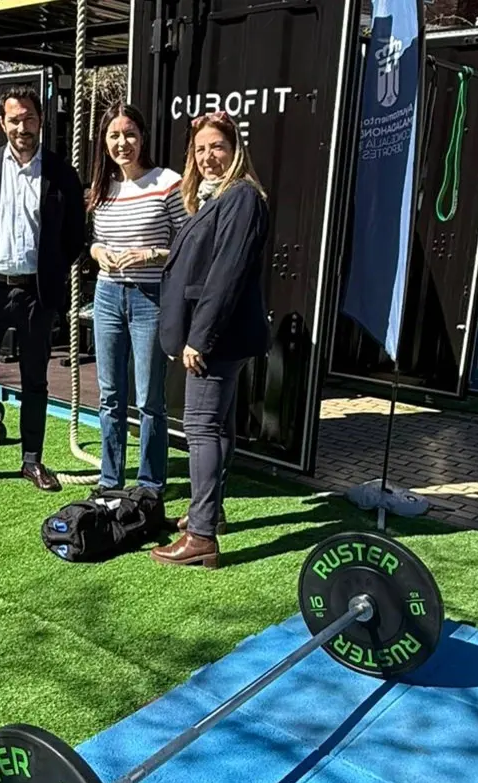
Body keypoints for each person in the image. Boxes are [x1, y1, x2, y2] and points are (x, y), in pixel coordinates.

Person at [0, 86, 86, 493]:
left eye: (28, 118)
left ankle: (32, 461)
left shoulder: (62, 174)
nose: (21, 126)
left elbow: (74, 236)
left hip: (35, 295)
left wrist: (52, 272)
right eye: (14, 119)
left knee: (35, 383)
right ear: (2, 123)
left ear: (40, 121)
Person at [150, 111, 270, 569]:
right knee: (216, 428)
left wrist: (199, 338)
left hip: (216, 338)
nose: (207, 157)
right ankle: (209, 514)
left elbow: (227, 274)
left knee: (201, 429)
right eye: (200, 150)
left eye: (216, 147)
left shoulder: (241, 197)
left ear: (235, 148)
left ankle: (201, 536)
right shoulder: (218, 198)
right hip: (220, 335)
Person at [87, 103, 187, 495]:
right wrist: (99, 254)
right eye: (114, 135)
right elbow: (94, 242)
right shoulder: (102, 186)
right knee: (110, 396)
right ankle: (110, 479)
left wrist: (152, 254)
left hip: (150, 297)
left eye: (129, 133)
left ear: (142, 136)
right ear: (104, 141)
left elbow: (187, 243)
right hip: (108, 294)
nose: (122, 142)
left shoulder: (167, 182)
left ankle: (150, 483)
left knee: (148, 399)